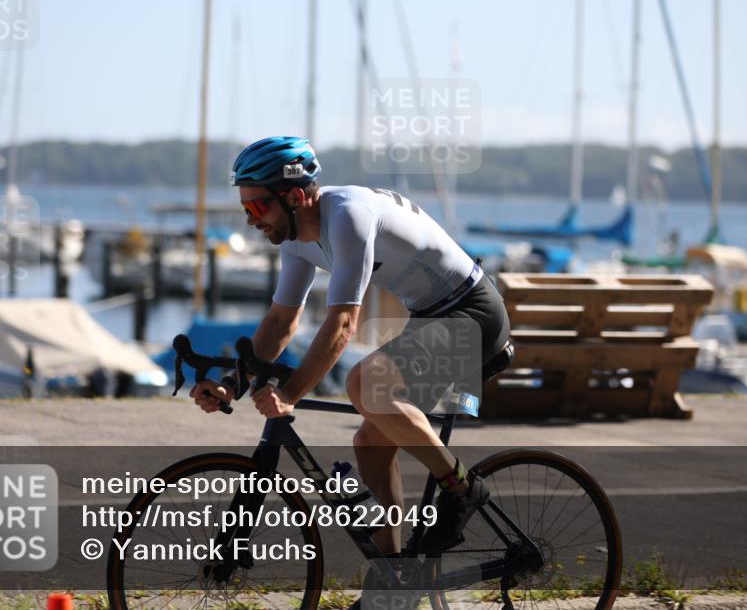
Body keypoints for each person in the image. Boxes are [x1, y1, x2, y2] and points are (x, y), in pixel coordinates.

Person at [190, 136, 511, 558]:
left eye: (256, 207)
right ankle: (392, 578)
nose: (251, 220)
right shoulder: (295, 240)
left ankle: (462, 488)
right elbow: (281, 322)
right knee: (369, 446)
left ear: (294, 197)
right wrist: (233, 382)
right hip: (430, 316)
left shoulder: (348, 216)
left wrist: (290, 394)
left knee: (365, 384)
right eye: (245, 208)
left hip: (473, 313)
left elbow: (343, 324)